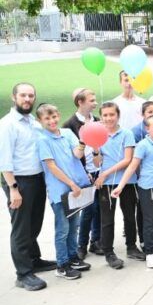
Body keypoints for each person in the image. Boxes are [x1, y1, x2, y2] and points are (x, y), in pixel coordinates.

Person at [0, 83, 54, 291]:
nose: (27, 99)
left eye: (31, 95)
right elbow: (4, 160)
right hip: (19, 181)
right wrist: (13, 188)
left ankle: (34, 260)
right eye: (23, 95)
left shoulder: (33, 122)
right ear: (14, 97)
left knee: (35, 223)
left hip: (37, 178)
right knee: (21, 229)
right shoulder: (7, 124)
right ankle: (23, 274)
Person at [111, 115, 153, 269]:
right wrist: (120, 186)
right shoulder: (142, 145)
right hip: (148, 187)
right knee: (150, 220)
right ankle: (150, 252)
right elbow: (132, 166)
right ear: (147, 129)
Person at [35, 104, 93, 280]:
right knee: (63, 228)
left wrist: (82, 142)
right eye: (47, 118)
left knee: (73, 225)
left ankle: (73, 257)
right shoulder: (42, 140)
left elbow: (77, 154)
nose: (51, 121)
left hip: (75, 188)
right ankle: (62, 264)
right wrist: (71, 183)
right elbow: (51, 166)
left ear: (58, 115)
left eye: (53, 117)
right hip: (60, 191)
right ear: (40, 121)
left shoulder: (67, 133)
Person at [93, 102, 142, 269]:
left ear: (118, 115)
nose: (108, 118)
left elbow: (128, 159)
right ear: (101, 117)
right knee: (107, 219)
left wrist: (105, 173)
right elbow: (97, 162)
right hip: (106, 184)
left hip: (127, 181)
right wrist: (95, 149)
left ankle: (131, 247)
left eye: (111, 114)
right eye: (105, 115)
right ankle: (109, 252)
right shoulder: (99, 135)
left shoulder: (126, 134)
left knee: (129, 215)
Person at [63, 88, 102, 260]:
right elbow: (70, 154)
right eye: (91, 100)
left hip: (98, 169)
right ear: (80, 102)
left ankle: (96, 241)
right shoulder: (69, 125)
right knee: (88, 210)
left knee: (99, 208)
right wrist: (82, 172)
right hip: (83, 173)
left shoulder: (97, 121)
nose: (95, 103)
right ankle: (81, 245)